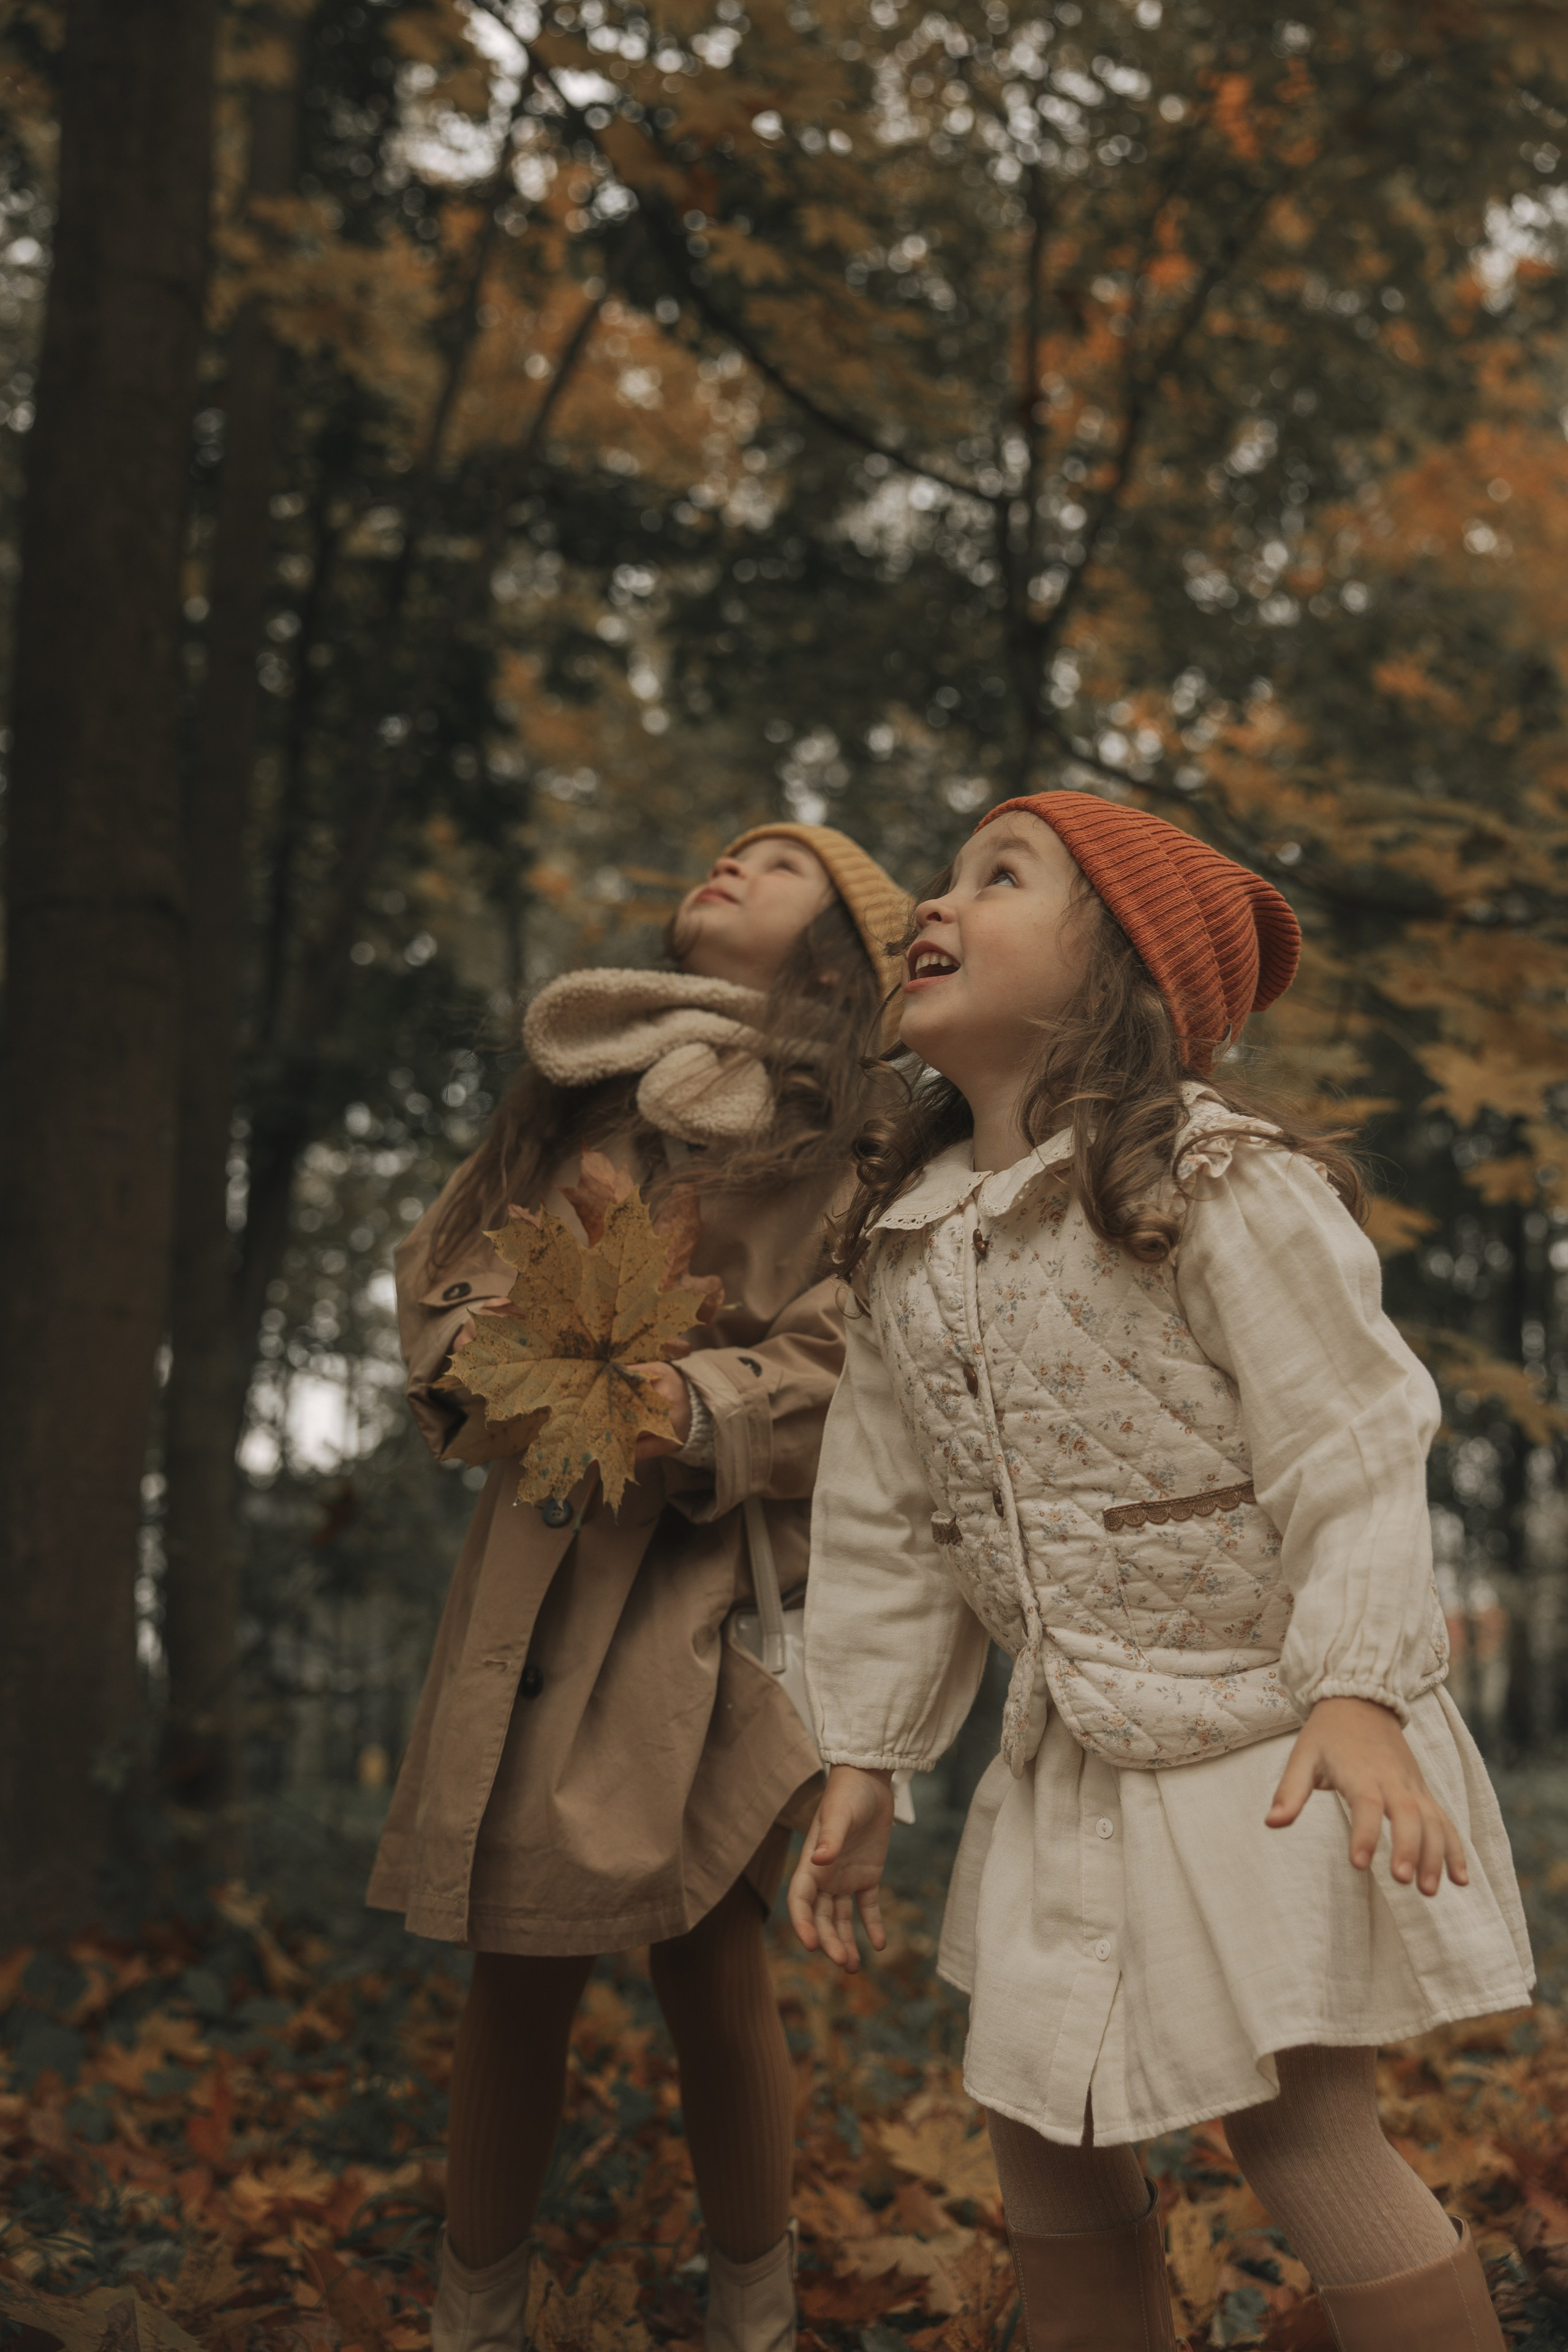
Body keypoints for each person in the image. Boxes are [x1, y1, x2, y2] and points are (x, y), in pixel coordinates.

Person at [788, 793, 1532, 2352]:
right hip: (1069, 1757)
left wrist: (1357, 1689)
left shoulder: (1212, 1180)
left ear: (1121, 973)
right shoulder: (905, 1245)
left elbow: (1349, 1440)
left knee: (1300, 2136)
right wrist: (865, 1750)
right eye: (940, 875)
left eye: (998, 877)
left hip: (1269, 1737)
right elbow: (886, 1522)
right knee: (1038, 2124)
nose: (936, 901)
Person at [367, 823, 911, 2352]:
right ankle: (475, 2307)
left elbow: (851, 1362)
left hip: (706, 1582)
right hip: (543, 1573)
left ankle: (757, 2302)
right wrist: (509, 1356)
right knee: (516, 1949)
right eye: (726, 851)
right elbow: (454, 1270)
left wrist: (692, 1404)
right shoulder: (576, 1091)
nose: (731, 864)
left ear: (835, 953)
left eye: (780, 863)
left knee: (706, 1942)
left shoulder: (856, 1133)